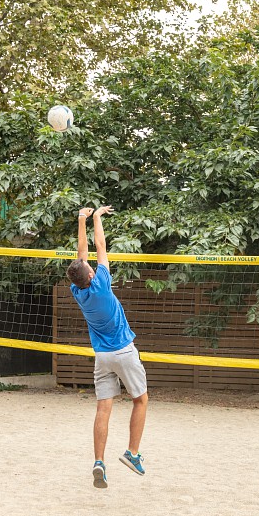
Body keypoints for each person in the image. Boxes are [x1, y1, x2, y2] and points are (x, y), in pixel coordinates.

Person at [67, 205, 148, 489]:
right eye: (89, 266)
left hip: (102, 356)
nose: (89, 263)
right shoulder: (101, 282)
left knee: (104, 407)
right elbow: (98, 244)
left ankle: (98, 461)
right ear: (90, 275)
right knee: (141, 400)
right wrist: (97, 217)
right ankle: (132, 453)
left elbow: (81, 254)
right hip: (124, 350)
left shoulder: (78, 290)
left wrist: (81, 219)